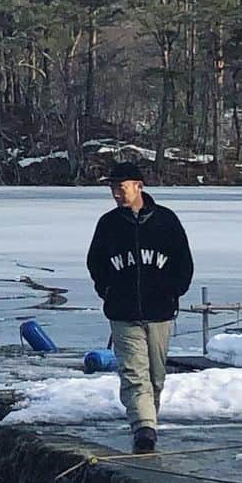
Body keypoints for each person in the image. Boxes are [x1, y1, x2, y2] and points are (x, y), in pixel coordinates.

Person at [86, 161, 193, 453]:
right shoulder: (108, 224)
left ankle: (148, 421)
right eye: (112, 189)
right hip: (123, 313)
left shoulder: (166, 221)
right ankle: (143, 429)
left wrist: (173, 292)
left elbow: (183, 262)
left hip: (160, 312)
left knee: (155, 376)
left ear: (138, 186)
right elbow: (95, 262)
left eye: (120, 188)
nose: (116, 194)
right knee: (134, 374)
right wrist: (107, 291)